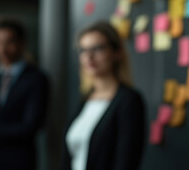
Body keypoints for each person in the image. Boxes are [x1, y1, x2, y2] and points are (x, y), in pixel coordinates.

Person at [61, 21, 145, 170]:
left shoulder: (129, 100)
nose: (89, 56)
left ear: (116, 53)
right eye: (83, 50)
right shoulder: (85, 99)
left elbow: (126, 162)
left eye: (98, 48)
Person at [0, 18, 49, 170]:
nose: (3, 49)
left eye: (9, 42)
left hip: (18, 161)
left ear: (22, 43)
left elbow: (31, 125)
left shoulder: (36, 79)